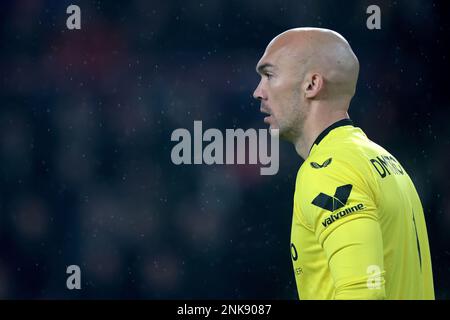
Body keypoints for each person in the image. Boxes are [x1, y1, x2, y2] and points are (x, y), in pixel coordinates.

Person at [253, 27, 434, 300]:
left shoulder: (328, 170)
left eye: (269, 75)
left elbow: (363, 293)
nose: (258, 92)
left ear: (312, 85)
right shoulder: (383, 160)